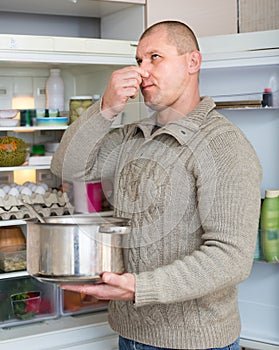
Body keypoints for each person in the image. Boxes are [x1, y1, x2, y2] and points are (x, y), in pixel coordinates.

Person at [51, 20, 262, 350]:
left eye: (155, 58)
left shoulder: (223, 146)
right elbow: (67, 167)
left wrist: (139, 287)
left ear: (192, 62)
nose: (142, 72)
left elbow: (230, 257)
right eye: (138, 61)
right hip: (128, 333)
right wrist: (105, 110)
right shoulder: (130, 136)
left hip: (196, 342)